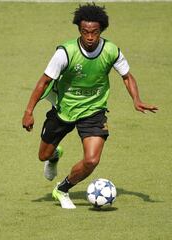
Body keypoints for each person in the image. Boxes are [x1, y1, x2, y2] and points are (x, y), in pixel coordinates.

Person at [22, 3, 158, 209]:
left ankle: (62, 189)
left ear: (101, 30)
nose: (90, 37)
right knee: (43, 156)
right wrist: (29, 111)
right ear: (79, 30)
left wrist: (136, 99)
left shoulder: (111, 51)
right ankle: (55, 156)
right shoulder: (66, 52)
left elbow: (127, 77)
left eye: (94, 32)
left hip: (94, 110)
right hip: (63, 110)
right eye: (85, 32)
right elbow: (43, 82)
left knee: (92, 160)